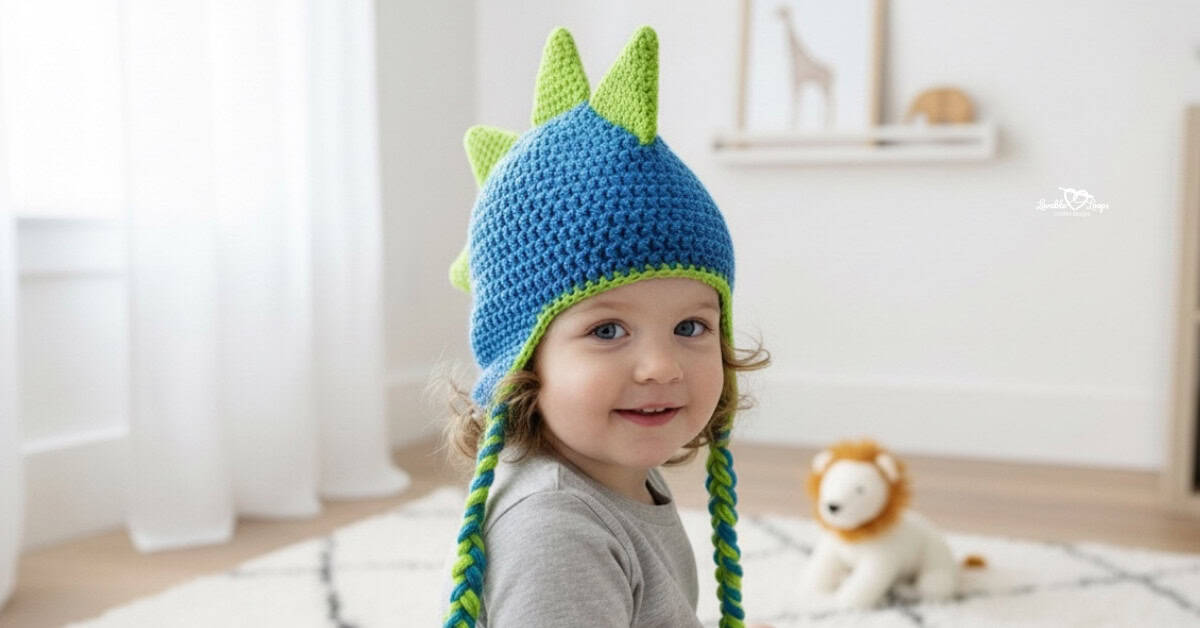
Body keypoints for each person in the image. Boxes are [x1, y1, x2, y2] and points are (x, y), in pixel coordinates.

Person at [437, 25, 773, 628]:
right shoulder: (554, 533)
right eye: (608, 331)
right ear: (524, 358)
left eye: (690, 327)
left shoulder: (614, 475)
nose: (662, 367)